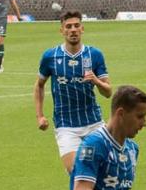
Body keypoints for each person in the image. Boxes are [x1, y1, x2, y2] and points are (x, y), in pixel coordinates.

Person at [34, 10, 112, 174]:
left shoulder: (95, 55)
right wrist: (40, 115)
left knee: (104, 170)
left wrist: (96, 81)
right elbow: (39, 85)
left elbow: (108, 92)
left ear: (82, 29)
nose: (73, 30)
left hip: (94, 123)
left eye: (76, 26)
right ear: (62, 31)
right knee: (77, 171)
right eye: (68, 26)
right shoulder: (50, 56)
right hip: (66, 125)